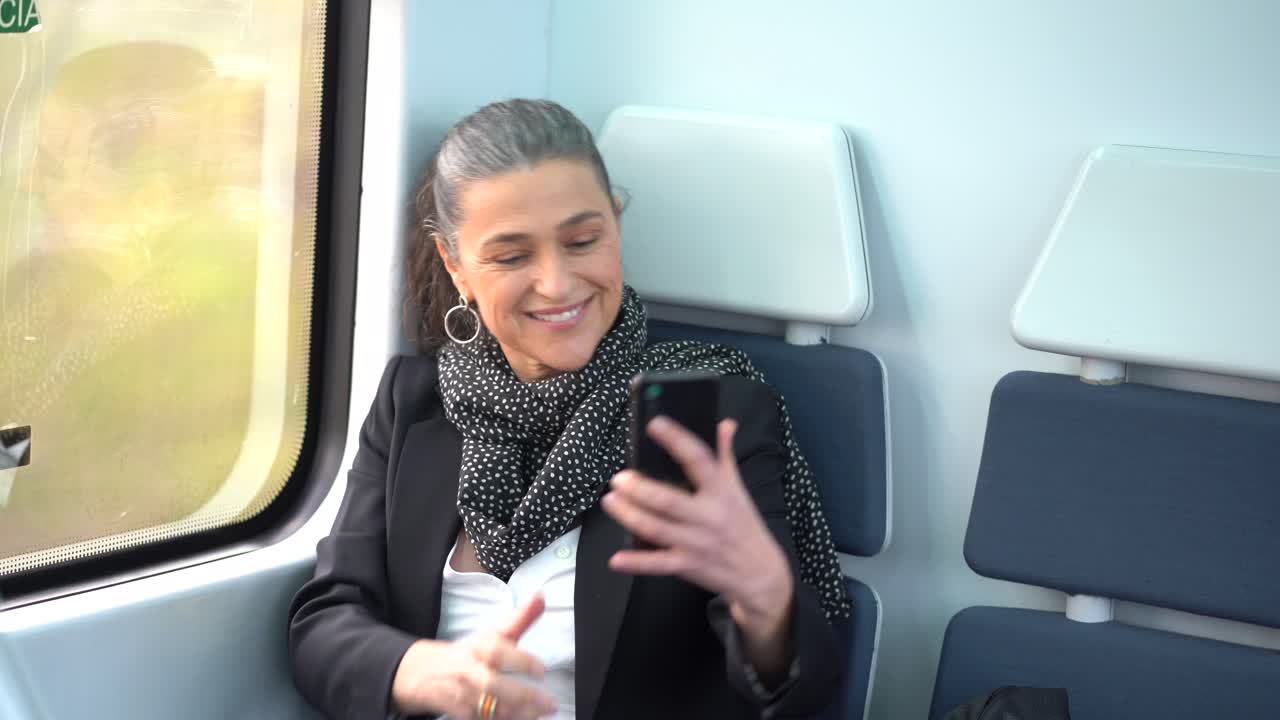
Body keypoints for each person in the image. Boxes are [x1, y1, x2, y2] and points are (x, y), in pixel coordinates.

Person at [288, 99, 850, 720]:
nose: (557, 284)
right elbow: (327, 620)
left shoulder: (713, 413)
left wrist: (766, 598)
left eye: (583, 240)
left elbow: (802, 691)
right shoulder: (413, 402)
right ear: (457, 267)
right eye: (510, 256)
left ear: (616, 226)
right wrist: (417, 670)